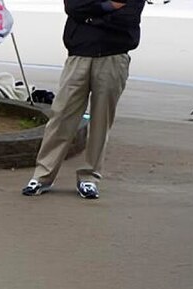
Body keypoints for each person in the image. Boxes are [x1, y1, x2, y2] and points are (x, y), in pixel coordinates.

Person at [22, 0, 146, 200]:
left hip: (114, 56)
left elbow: (127, 17)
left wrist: (89, 17)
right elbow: (74, 7)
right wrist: (106, 8)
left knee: (101, 120)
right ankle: (43, 175)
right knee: (62, 116)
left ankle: (89, 177)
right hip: (79, 54)